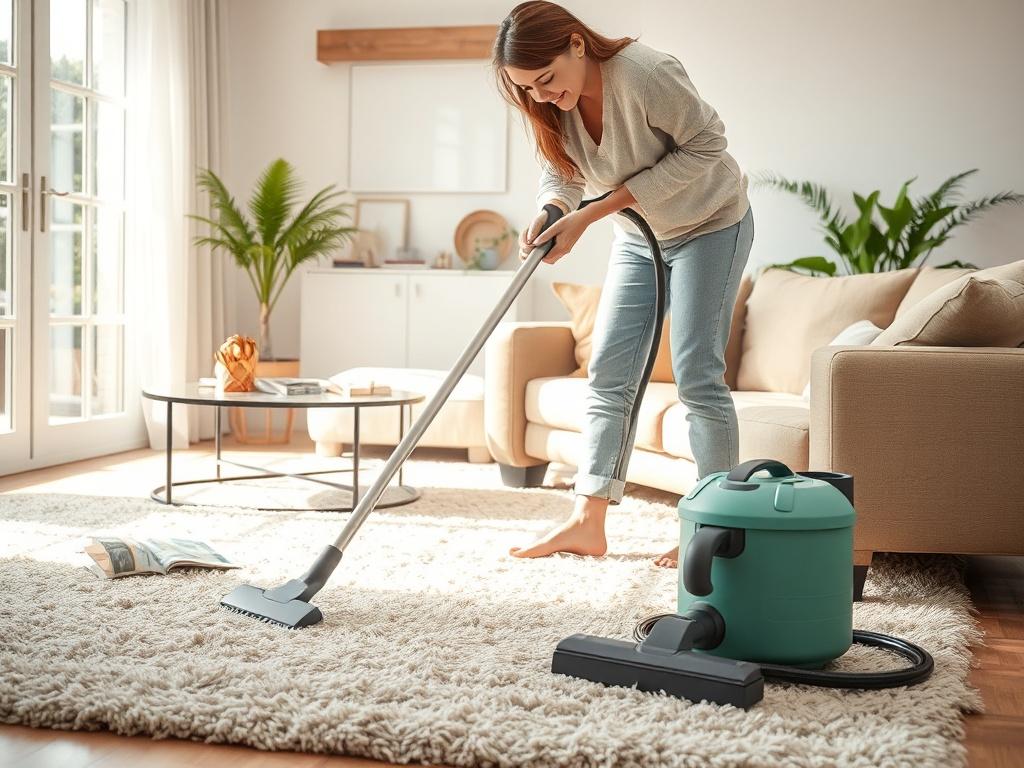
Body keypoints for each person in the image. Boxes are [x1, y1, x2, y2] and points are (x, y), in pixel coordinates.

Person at [492, 1, 754, 567]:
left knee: (696, 371)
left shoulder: (646, 74)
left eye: (547, 79)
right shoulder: (550, 102)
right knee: (609, 372)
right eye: (526, 88)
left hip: (711, 223)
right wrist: (551, 208)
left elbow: (710, 145)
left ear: (577, 44)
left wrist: (590, 213)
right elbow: (562, 169)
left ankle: (716, 525)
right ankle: (588, 522)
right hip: (641, 237)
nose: (542, 95)